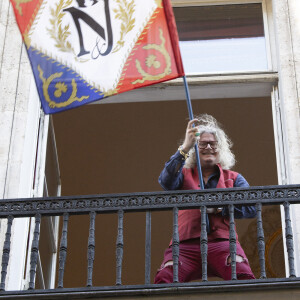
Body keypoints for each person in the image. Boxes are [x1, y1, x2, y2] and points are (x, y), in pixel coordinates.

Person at [154, 114, 256, 283]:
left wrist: (222, 208)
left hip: (223, 243)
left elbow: (252, 208)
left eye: (213, 144)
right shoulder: (183, 174)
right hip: (185, 245)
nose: (208, 147)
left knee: (243, 276)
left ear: (220, 148)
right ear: (196, 148)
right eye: (202, 143)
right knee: (165, 278)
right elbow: (166, 181)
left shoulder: (234, 177)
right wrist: (185, 147)